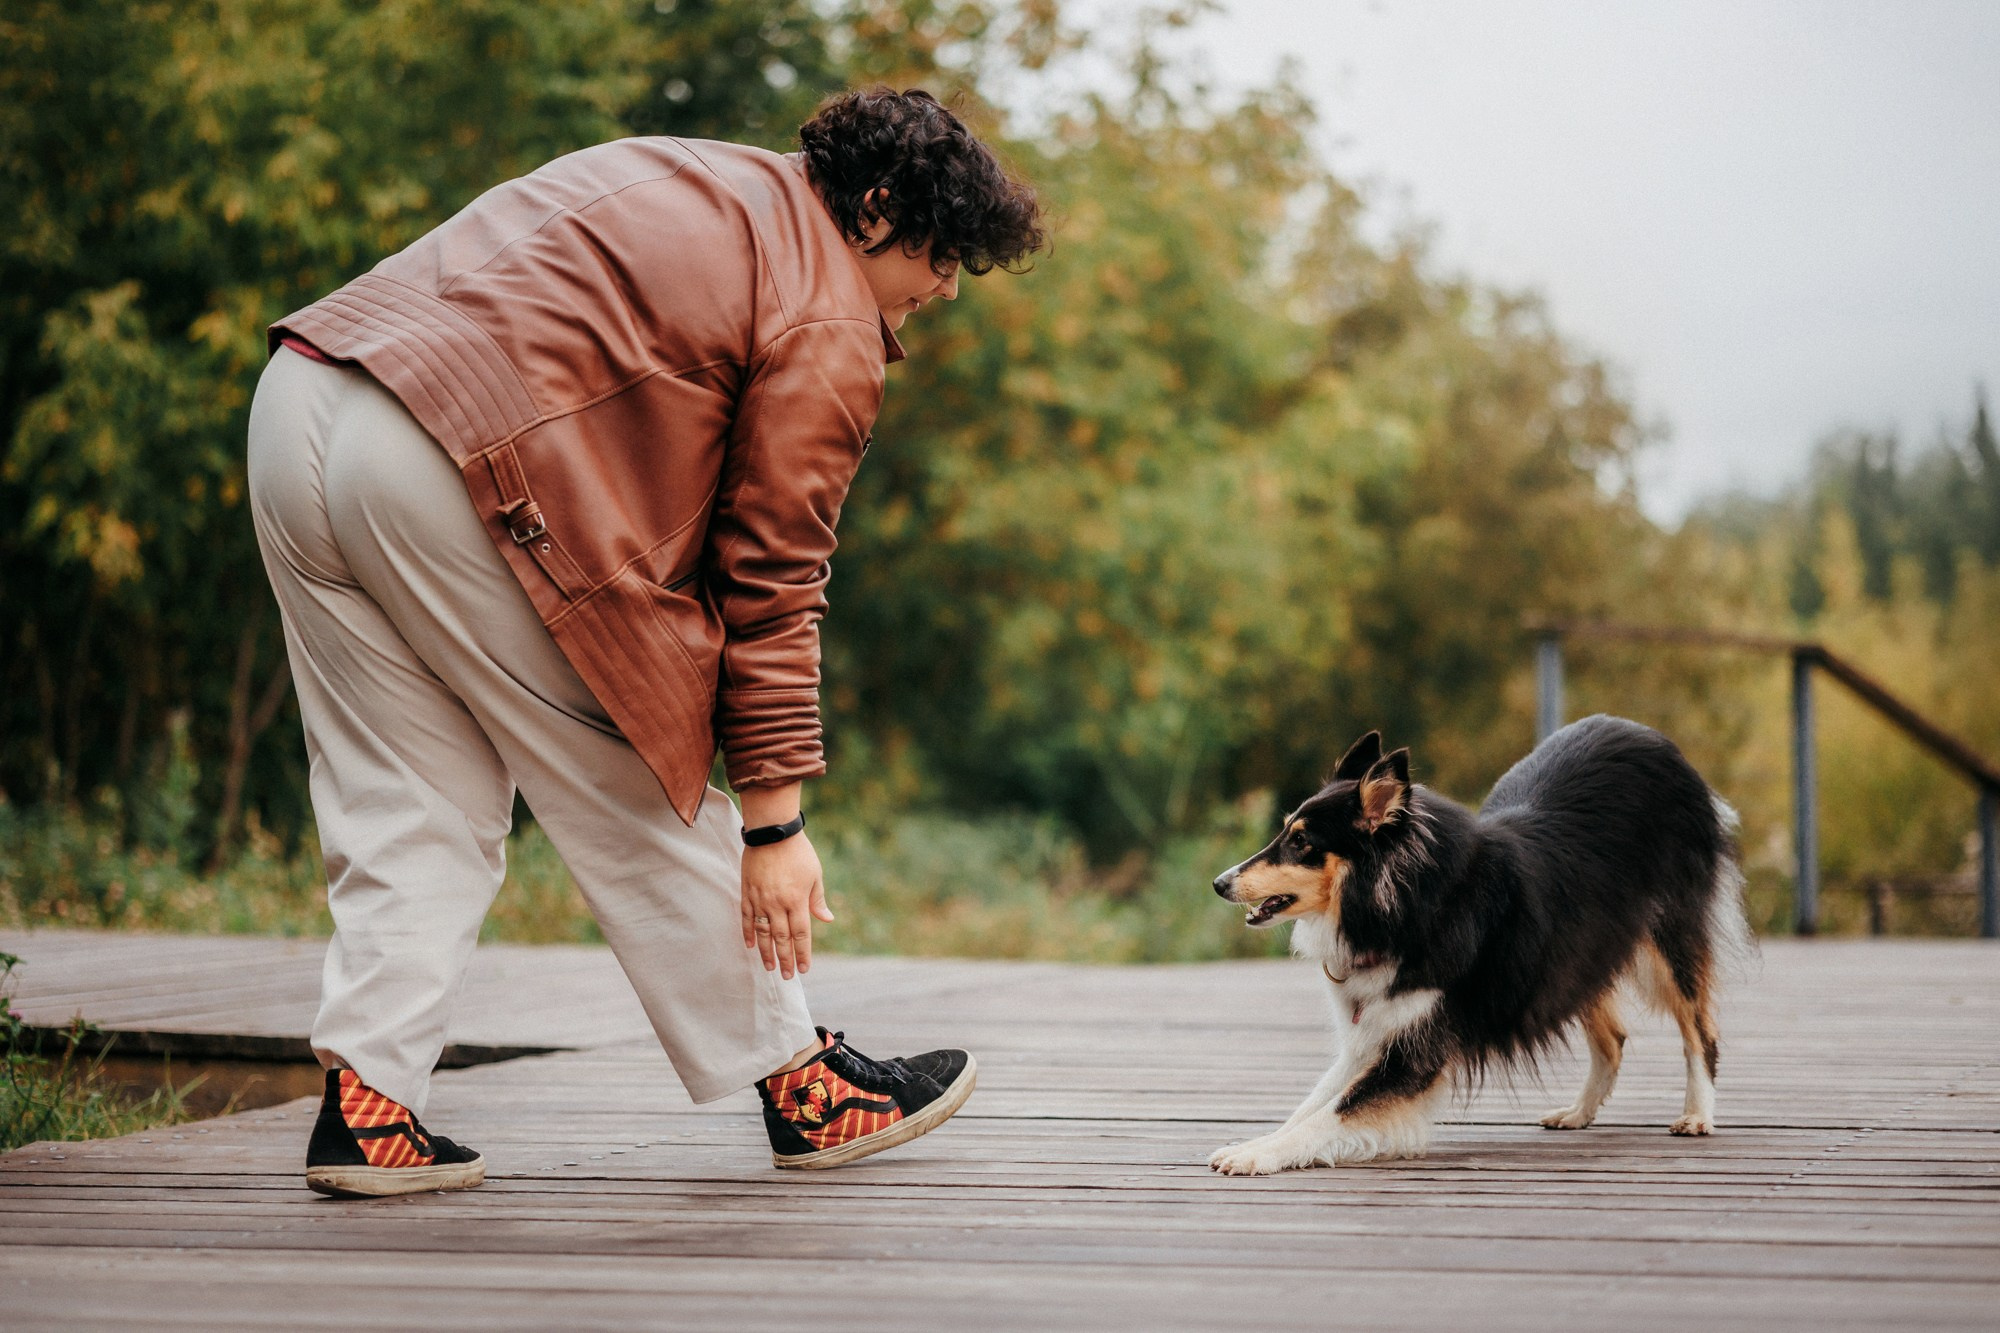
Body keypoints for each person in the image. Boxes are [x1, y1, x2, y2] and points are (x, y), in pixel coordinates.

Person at [247, 87, 1045, 1197]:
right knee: (620, 775)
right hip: (435, 448)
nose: (948, 286)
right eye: (942, 254)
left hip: (301, 400)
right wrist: (775, 822)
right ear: (872, 209)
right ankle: (805, 1086)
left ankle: (369, 1107)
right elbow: (772, 577)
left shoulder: (682, 167)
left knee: (407, 790)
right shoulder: (823, 308)